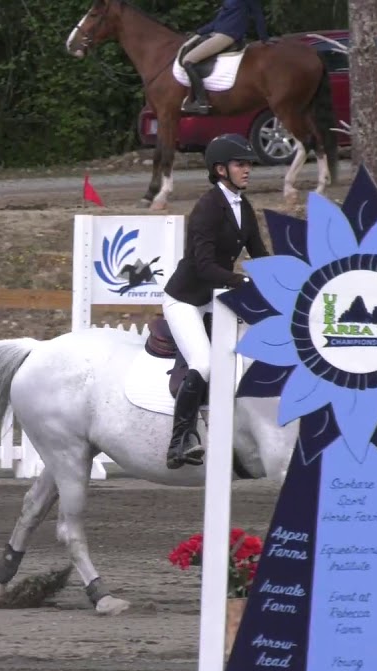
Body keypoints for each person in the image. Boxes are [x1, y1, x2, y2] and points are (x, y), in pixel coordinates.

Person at [160, 134, 269, 469]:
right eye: (240, 164)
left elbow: (260, 254)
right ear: (221, 170)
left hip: (216, 298)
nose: (247, 170)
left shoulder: (243, 207)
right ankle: (180, 441)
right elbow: (205, 266)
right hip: (186, 299)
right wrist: (243, 281)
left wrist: (284, 279)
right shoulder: (207, 208)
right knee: (204, 362)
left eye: (249, 164)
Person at [180, 0, 270, 115]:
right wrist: (199, 32)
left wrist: (264, 38)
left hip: (227, 36)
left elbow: (258, 15)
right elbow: (219, 21)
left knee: (188, 61)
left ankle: (201, 101)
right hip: (218, 33)